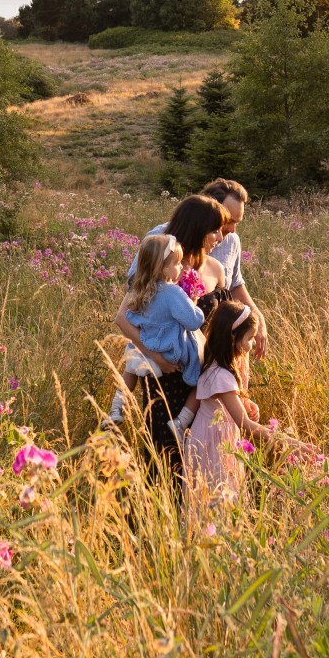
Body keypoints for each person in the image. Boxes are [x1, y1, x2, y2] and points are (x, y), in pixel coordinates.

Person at [112, 193, 228, 459]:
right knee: (163, 450)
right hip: (164, 373)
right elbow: (123, 318)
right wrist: (157, 359)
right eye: (214, 231)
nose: (219, 238)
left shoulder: (214, 268)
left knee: (199, 453)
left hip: (200, 369)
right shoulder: (160, 267)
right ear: (198, 229)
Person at [126, 179, 267, 358]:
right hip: (168, 347)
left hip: (211, 350)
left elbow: (235, 284)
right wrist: (156, 358)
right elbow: (135, 291)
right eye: (227, 220)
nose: (231, 229)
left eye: (236, 222)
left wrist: (257, 316)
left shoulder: (231, 240)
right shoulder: (163, 239)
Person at [185, 301, 304, 504]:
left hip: (215, 437)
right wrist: (292, 443)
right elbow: (246, 425)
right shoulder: (220, 375)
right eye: (249, 338)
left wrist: (245, 401)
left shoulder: (218, 363)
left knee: (220, 499)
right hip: (212, 445)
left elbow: (227, 400)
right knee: (216, 500)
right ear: (233, 338)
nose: (253, 344)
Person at [104, 233, 204, 428]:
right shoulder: (172, 292)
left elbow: (132, 317)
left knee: (131, 355)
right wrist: (194, 302)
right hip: (170, 354)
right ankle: (182, 421)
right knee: (204, 374)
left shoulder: (143, 290)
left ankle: (117, 407)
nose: (182, 267)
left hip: (147, 351)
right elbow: (193, 321)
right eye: (177, 263)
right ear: (164, 268)